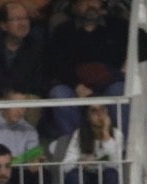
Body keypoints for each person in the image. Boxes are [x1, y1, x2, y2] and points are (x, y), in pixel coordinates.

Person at [44, 0, 128, 138]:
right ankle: (76, 148)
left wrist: (128, 62)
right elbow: (55, 65)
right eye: (85, 2)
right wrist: (76, 85)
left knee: (121, 90)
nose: (91, 5)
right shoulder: (63, 30)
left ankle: (122, 149)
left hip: (111, 82)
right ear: (75, 6)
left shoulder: (118, 25)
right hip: (76, 84)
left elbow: (142, 42)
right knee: (59, 93)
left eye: (95, 1)